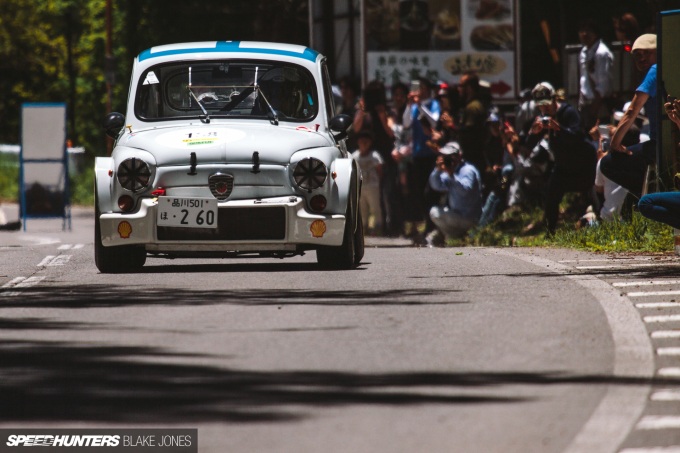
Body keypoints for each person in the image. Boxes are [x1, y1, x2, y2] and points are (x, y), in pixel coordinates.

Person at [526, 82, 597, 235]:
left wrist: (557, 127)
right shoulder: (543, 119)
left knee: (595, 197)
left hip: (583, 164)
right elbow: (528, 145)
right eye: (540, 105)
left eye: (546, 104)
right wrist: (534, 133)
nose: (544, 108)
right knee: (551, 195)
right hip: (564, 166)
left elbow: (578, 136)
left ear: (554, 99)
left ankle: (602, 224)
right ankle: (549, 234)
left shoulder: (568, 113)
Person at [600, 34, 657, 201]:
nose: (641, 58)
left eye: (646, 52)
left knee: (607, 164)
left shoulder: (654, 70)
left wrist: (615, 143)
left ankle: (653, 194)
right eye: (637, 55)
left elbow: (632, 110)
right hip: (664, 143)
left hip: (659, 145)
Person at [402, 77, 441, 228]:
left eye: (422, 87)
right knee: (418, 191)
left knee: (430, 191)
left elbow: (434, 121)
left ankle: (432, 224)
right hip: (418, 153)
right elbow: (406, 123)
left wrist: (420, 106)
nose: (419, 90)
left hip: (431, 152)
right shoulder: (414, 106)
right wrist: (409, 104)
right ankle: (426, 222)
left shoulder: (434, 104)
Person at [427, 142, 482, 244]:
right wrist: (437, 169)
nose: (448, 159)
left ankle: (454, 237)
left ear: (459, 156)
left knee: (436, 213)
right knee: (434, 212)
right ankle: (456, 237)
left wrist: (452, 175)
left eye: (451, 156)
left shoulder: (468, 170)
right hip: (456, 216)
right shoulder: (450, 171)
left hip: (469, 218)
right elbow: (436, 186)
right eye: (445, 156)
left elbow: (465, 191)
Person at [578, 18, 614, 131]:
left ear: (596, 33)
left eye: (588, 31)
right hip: (585, 104)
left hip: (598, 106)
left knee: (601, 136)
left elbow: (603, 85)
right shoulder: (583, 52)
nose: (584, 34)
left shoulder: (601, 53)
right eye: (582, 31)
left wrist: (593, 109)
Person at [352, 131, 384, 235]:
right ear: (358, 142)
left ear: (370, 142)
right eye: (362, 141)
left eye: (366, 141)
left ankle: (378, 227)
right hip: (360, 187)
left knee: (375, 207)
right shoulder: (355, 156)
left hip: (372, 186)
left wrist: (377, 181)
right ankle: (363, 228)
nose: (364, 143)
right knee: (362, 208)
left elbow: (380, 170)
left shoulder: (374, 156)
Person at [456, 72, 487, 173]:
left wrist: (451, 126)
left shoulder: (473, 107)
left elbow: (469, 131)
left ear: (468, 88)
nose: (458, 89)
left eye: (461, 86)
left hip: (474, 158)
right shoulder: (469, 105)